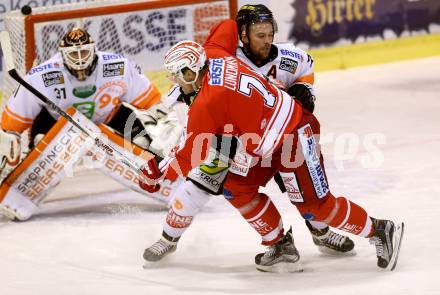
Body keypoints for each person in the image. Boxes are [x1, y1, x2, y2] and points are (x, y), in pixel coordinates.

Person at [138, 18, 404, 272]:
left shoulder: (206, 103)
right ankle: (279, 244)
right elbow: (228, 25)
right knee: (235, 185)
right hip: (265, 142)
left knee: (315, 206)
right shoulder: (214, 51)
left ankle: (379, 229)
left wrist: (159, 176)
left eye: (178, 76)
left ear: (192, 70)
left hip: (295, 134)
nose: (175, 82)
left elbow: (189, 155)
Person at [0, 28, 182, 221]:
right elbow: (14, 118)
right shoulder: (42, 75)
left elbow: (150, 101)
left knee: (151, 144)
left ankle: (174, 185)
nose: (79, 59)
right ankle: (17, 198)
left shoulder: (117, 66)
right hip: (56, 123)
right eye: (73, 54)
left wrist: (166, 125)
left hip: (110, 115)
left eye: (84, 52)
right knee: (40, 149)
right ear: (62, 55)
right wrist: (10, 136)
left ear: (94, 50)